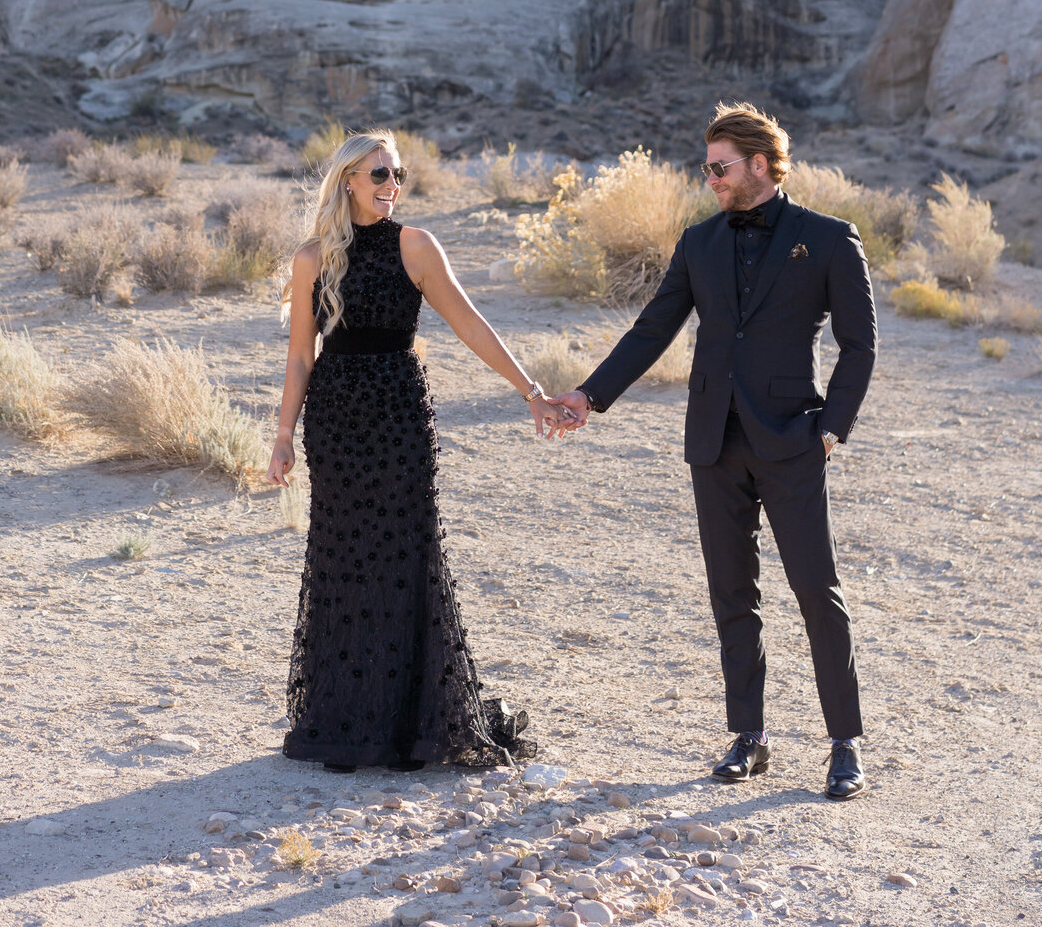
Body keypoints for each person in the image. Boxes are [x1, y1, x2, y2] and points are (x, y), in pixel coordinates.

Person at [550, 101, 877, 800]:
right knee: (733, 593)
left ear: (759, 164)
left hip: (792, 438)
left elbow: (860, 345)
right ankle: (749, 738)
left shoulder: (827, 240)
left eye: (720, 169)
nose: (711, 181)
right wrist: (590, 394)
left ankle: (845, 743)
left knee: (817, 590)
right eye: (706, 169)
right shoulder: (698, 243)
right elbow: (651, 330)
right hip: (713, 442)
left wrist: (831, 428)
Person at [268, 127, 555, 772]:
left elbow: (469, 320)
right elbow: (298, 357)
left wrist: (530, 391)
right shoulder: (313, 257)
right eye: (379, 176)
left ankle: (404, 726)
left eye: (398, 176)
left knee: (405, 554)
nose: (391, 187)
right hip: (336, 420)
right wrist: (283, 436)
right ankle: (346, 724)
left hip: (398, 415)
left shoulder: (416, 246)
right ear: (348, 180)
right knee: (342, 556)